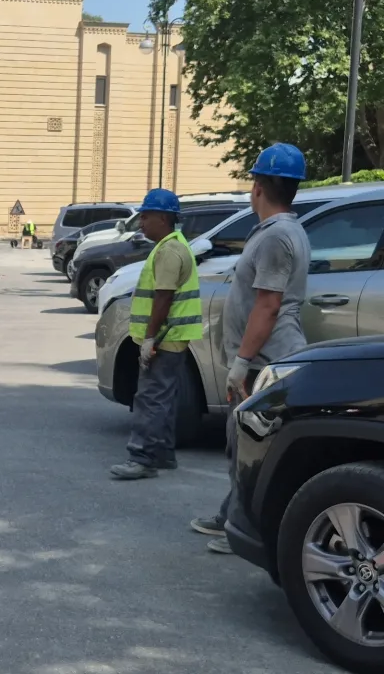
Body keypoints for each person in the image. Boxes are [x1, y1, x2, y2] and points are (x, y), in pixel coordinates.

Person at [190, 143, 311, 549]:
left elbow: (268, 304)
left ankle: (243, 532)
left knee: (248, 447)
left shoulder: (277, 237)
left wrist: (242, 362)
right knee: (243, 442)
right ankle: (232, 515)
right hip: (263, 357)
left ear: (257, 187)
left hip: (265, 360)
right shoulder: (279, 232)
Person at [109, 188, 203, 480]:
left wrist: (149, 339)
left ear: (163, 218)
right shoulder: (174, 246)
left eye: (146, 217)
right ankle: (162, 454)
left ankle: (143, 458)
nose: (141, 223)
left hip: (163, 338)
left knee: (150, 399)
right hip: (171, 338)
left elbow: (163, 298)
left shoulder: (169, 251)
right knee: (163, 398)